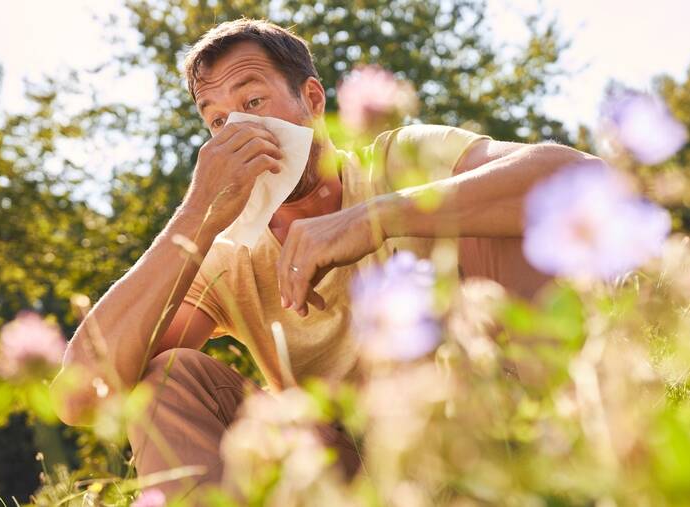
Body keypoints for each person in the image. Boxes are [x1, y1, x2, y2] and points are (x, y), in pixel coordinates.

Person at [51, 18, 599, 503]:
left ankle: (566, 461)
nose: (239, 132)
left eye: (253, 102)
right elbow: (80, 398)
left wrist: (375, 219)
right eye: (217, 122)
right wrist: (197, 214)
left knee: (494, 214)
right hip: (337, 478)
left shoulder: (399, 162)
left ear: (313, 101)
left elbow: (585, 182)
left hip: (477, 429)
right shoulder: (227, 255)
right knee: (165, 373)